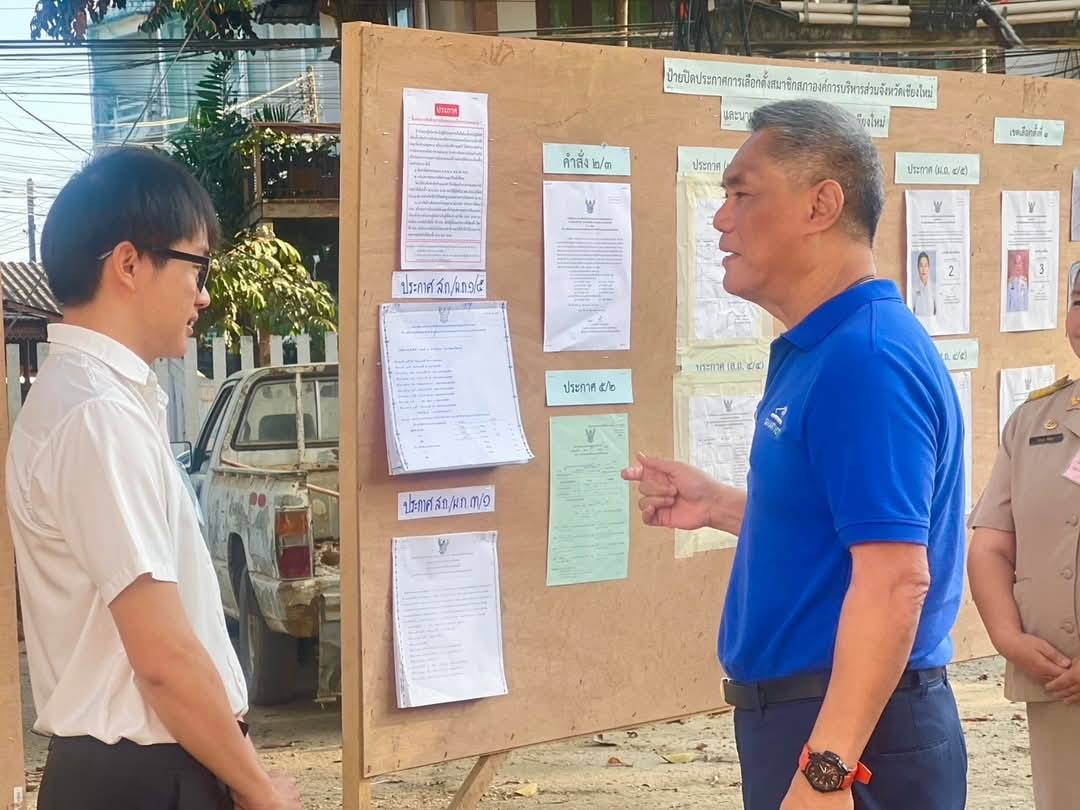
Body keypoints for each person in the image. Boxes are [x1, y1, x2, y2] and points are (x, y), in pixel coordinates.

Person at [622, 99, 967, 810]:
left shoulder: (865, 359)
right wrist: (721, 506)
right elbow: (848, 532)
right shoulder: (829, 349)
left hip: (854, 735)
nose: (721, 220)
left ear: (821, 205)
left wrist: (827, 770)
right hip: (828, 721)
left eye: (742, 194)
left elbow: (895, 581)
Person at [5, 147, 301, 810]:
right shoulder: (96, 417)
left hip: (142, 770)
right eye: (197, 266)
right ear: (129, 264)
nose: (204, 294)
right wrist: (260, 791)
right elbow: (162, 658)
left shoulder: (93, 401)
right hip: (141, 780)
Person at [968, 262, 1080, 810]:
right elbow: (992, 543)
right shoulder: (1034, 422)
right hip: (1059, 681)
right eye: (1079, 302)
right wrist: (1008, 637)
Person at [911, 251, 937, 318]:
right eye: (921, 266)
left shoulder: (934, 287)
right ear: (917, 267)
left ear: (929, 267)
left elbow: (938, 312)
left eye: (926, 266)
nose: (923, 269)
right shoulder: (913, 288)